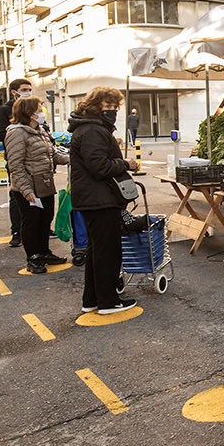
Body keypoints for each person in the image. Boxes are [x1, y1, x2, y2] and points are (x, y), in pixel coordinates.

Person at [68, 87, 141, 315]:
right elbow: (99, 166)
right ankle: (109, 301)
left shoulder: (91, 128)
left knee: (96, 251)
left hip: (95, 198)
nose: (112, 111)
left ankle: (92, 299)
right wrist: (125, 164)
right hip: (99, 199)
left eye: (115, 107)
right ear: (95, 107)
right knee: (106, 251)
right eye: (107, 107)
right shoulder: (92, 130)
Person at [6, 97, 71, 273]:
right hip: (28, 186)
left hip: (45, 183)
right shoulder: (16, 133)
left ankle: (44, 251)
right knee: (31, 221)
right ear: (29, 113)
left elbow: (52, 154)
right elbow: (15, 165)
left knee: (45, 219)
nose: (42, 112)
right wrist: (26, 190)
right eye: (39, 109)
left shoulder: (40, 131)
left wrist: (73, 159)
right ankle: (33, 257)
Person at [0, 78, 34, 247]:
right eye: (25, 89)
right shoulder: (4, 110)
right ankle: (16, 231)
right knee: (17, 195)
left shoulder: (33, 108)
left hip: (36, 160)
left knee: (40, 195)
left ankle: (41, 228)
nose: (28, 91)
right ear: (14, 91)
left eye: (29, 89)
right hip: (17, 159)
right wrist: (19, 134)